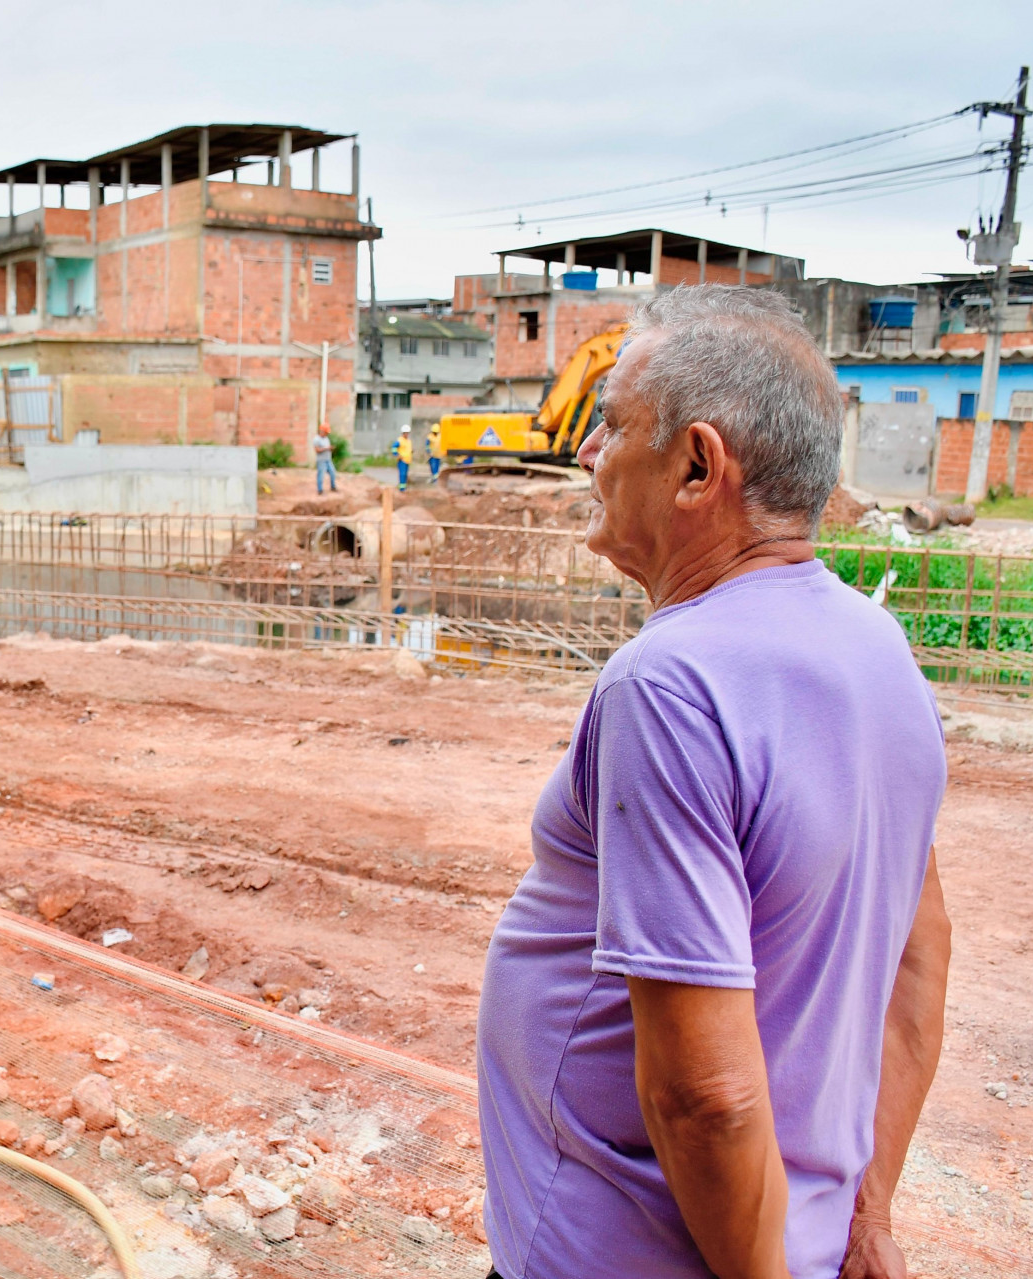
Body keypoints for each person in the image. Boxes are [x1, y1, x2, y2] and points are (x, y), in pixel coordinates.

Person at [476, 286, 951, 1279]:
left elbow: (705, 1096)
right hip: (793, 1248)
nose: (587, 454)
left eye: (612, 427)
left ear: (697, 464)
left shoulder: (671, 683)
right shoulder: (877, 647)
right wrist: (867, 1213)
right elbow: (916, 958)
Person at [313, 421, 338, 495]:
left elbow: (327, 447)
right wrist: (327, 448)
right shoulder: (316, 439)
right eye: (326, 432)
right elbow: (317, 450)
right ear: (322, 431)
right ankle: (320, 490)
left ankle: (333, 487)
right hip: (321, 461)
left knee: (333, 472)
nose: (327, 434)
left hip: (328, 460)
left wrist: (330, 449)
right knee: (321, 475)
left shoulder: (326, 438)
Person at [394, 423, 412, 491]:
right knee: (402, 474)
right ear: (403, 433)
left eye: (408, 433)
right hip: (402, 460)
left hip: (407, 460)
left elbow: (407, 449)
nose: (407, 434)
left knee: (405, 475)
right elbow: (394, 448)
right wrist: (397, 454)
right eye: (406, 433)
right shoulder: (400, 440)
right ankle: (401, 488)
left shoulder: (408, 441)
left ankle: (404, 487)